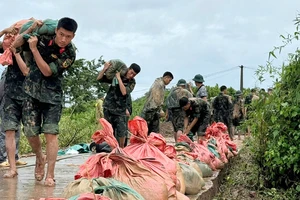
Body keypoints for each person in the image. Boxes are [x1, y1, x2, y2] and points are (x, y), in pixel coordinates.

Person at [21, 17, 77, 186]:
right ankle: (39, 157)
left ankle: (50, 175)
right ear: (56, 30)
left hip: (52, 96)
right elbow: (16, 44)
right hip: (31, 91)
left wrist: (34, 50)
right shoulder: (42, 37)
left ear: (73, 37)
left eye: (68, 36)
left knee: (51, 133)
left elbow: (47, 71)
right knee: (30, 132)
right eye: (61, 34)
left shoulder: (70, 53)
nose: (63, 39)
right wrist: (30, 29)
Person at [0, 25, 30, 175]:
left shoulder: (30, 46)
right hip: (10, 91)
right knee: (8, 128)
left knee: (24, 129)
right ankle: (7, 161)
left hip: (26, 94)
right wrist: (4, 31)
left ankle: (17, 156)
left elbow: (27, 71)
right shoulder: (9, 44)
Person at [97, 62, 141, 148]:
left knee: (122, 131)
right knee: (109, 131)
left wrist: (119, 78)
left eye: (134, 75)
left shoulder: (132, 82)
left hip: (120, 109)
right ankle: (112, 149)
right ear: (128, 69)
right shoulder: (117, 74)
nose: (132, 75)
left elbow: (124, 92)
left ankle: (121, 149)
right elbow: (99, 79)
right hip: (109, 107)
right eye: (131, 72)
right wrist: (104, 69)